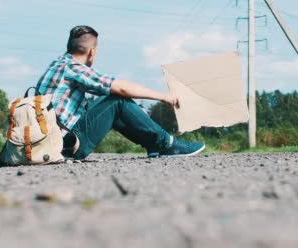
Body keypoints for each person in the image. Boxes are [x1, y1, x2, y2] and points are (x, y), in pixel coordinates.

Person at [36, 25, 206, 160]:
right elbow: (120, 88)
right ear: (92, 52)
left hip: (48, 143)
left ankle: (155, 145)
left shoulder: (57, 65)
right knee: (117, 99)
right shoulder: (73, 68)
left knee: (108, 101)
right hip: (66, 146)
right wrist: (163, 96)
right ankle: (166, 144)